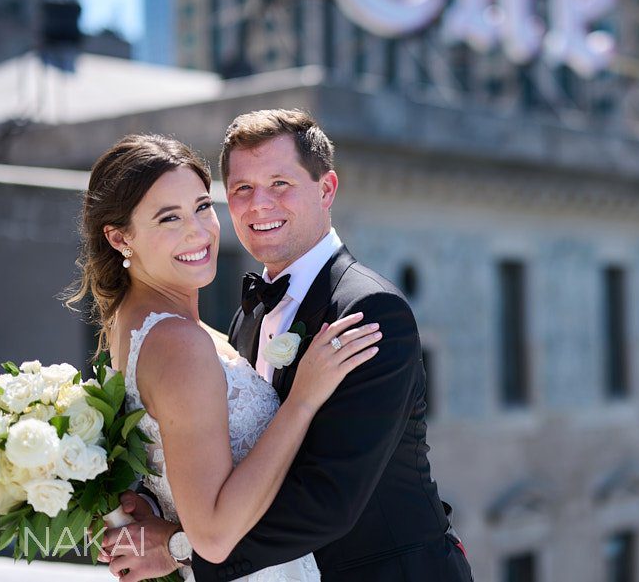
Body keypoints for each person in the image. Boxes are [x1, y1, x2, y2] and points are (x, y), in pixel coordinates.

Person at [104, 110, 473, 582]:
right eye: (242, 189)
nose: (259, 205)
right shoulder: (245, 318)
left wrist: (178, 548)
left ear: (326, 189)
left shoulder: (369, 310)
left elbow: (328, 500)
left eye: (280, 183)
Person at [69, 133, 381, 582]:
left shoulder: (132, 324)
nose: (198, 231)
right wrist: (303, 402)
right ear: (120, 238)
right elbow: (213, 536)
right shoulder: (179, 343)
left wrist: (157, 511)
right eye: (169, 218)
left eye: (201, 206)